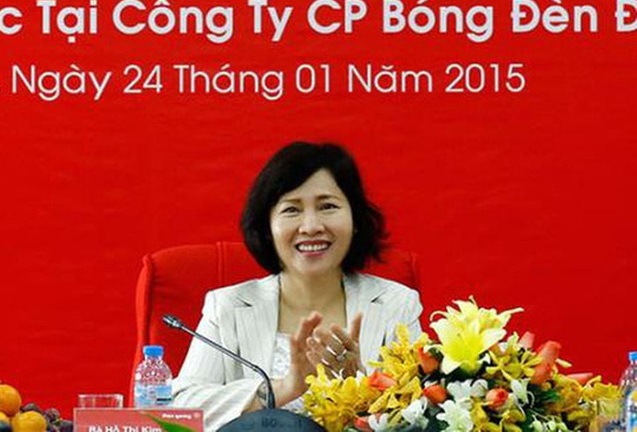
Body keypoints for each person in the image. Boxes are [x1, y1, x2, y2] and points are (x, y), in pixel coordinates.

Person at [172, 142, 423, 430]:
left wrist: (362, 390)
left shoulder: (395, 305)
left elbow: (423, 415)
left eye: (327, 206)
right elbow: (179, 410)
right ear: (268, 227)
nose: (311, 226)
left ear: (355, 219)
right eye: (292, 210)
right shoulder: (228, 306)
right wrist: (282, 389)